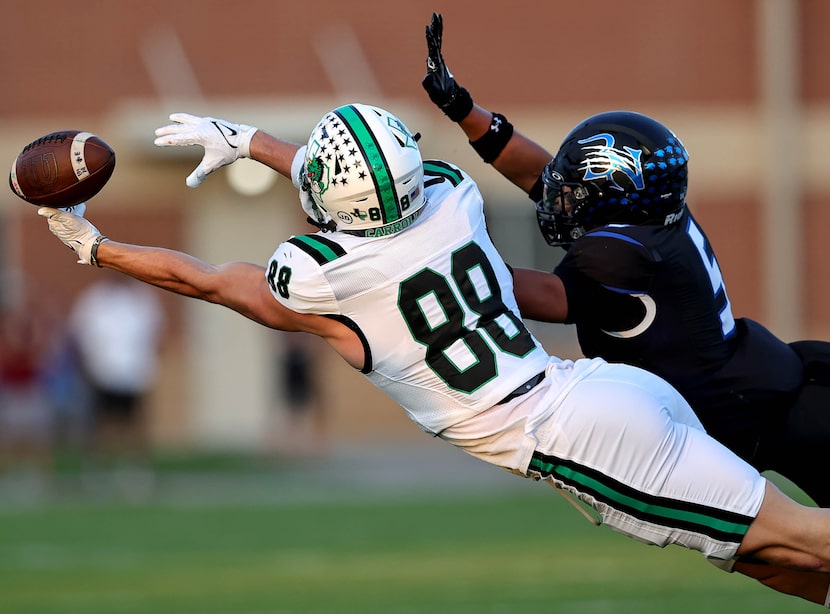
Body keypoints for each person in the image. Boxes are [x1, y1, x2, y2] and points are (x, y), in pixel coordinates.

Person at [33, 102, 830, 606]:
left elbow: (209, 280)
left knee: (799, 537)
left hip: (579, 441)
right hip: (602, 393)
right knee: (768, 560)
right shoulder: (453, 202)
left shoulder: (333, 287)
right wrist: (248, 142)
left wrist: (97, 248)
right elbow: (366, 185)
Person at [421, 12, 830, 508]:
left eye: (574, 191)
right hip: (754, 391)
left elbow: (534, 293)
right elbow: (542, 175)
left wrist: (430, 255)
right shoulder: (651, 219)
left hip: (753, 416)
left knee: (787, 552)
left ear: (613, 196)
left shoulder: (619, 253)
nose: (556, 198)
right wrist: (464, 109)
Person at [68, 273, 165, 497]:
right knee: (101, 424)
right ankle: (96, 471)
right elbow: (80, 333)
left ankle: (135, 471)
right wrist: (89, 365)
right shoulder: (95, 299)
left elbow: (157, 332)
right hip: (103, 371)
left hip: (135, 372)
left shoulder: (143, 299)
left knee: (135, 424)